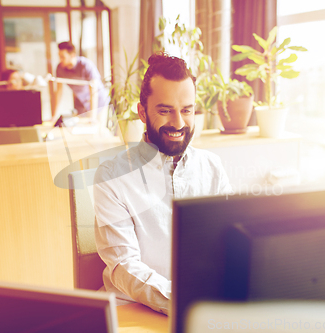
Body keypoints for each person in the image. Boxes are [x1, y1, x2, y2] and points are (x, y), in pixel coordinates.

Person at [93, 52, 232, 315]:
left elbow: (229, 243)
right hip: (133, 309)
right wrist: (183, 303)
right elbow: (123, 265)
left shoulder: (212, 167)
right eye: (165, 110)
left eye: (186, 110)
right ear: (142, 113)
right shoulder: (111, 176)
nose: (178, 123)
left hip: (203, 309)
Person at [53, 41, 109, 119]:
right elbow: (59, 91)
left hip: (99, 102)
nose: (60, 59)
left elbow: (94, 92)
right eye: (59, 56)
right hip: (82, 104)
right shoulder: (60, 69)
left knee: (96, 127)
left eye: (63, 57)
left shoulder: (86, 65)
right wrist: (54, 116)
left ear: (72, 55)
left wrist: (92, 117)